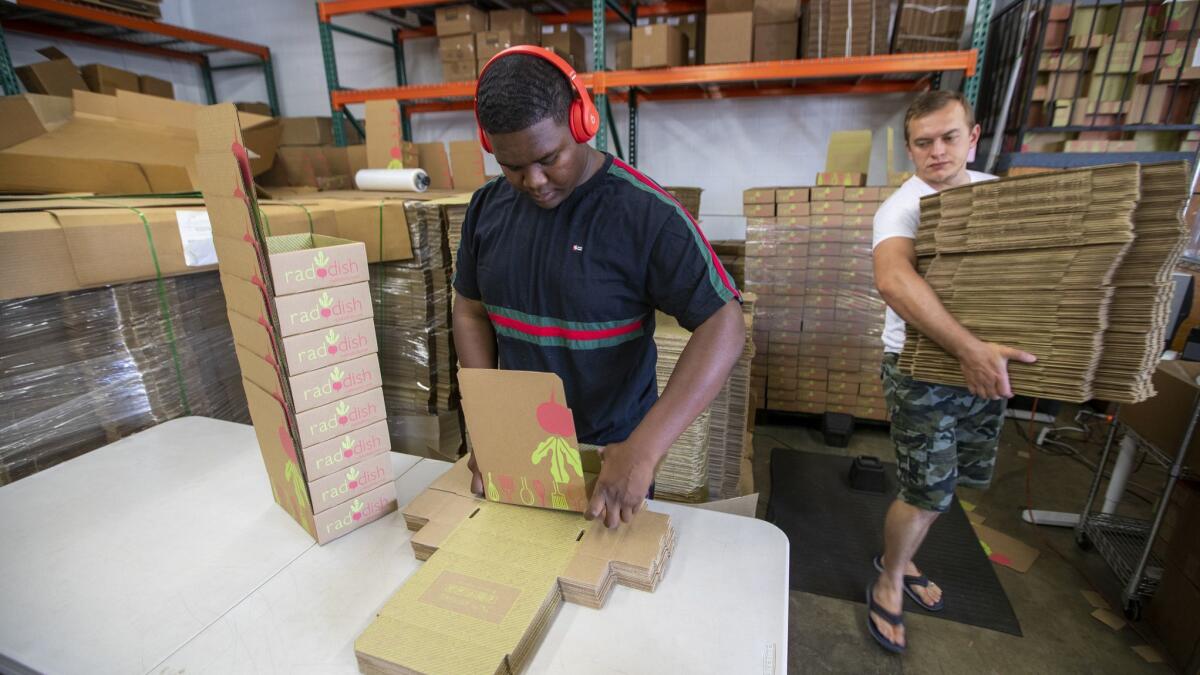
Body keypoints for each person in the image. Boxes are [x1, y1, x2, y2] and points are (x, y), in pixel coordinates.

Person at [452, 46, 746, 529]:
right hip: (520, 441)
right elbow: (470, 311)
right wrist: (488, 421)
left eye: (549, 158)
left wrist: (644, 448)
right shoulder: (487, 210)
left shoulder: (646, 216)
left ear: (582, 121)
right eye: (512, 166)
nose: (534, 181)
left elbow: (724, 323)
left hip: (611, 453)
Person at [867, 90, 1037, 653]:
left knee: (950, 486)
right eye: (923, 142)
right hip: (921, 374)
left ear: (973, 135)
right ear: (910, 148)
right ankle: (889, 578)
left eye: (949, 137)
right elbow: (894, 280)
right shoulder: (903, 207)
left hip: (984, 371)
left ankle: (901, 557)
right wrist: (967, 348)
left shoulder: (995, 195)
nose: (937, 152)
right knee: (925, 490)